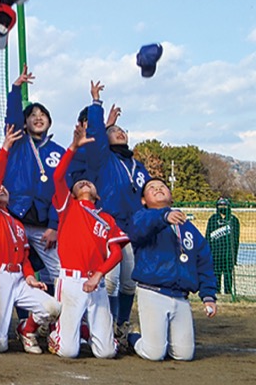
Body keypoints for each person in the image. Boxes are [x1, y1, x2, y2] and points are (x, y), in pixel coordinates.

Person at [47, 87, 127, 360]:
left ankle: (100, 333)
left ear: (97, 193)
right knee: (67, 352)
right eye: (79, 182)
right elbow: (59, 178)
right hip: (70, 281)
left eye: (89, 183)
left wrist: (98, 273)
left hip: (96, 281)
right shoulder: (67, 207)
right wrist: (72, 147)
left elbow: (116, 252)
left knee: (105, 353)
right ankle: (59, 333)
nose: (83, 182)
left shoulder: (106, 217)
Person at [0, 126, 60, 354]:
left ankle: (27, 329)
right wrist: (4, 149)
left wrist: (30, 277)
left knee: (52, 306)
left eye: (5, 188)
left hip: (19, 278)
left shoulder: (16, 223)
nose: (2, 189)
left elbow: (25, 256)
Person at [125, 178, 218, 361]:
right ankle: (129, 336)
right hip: (153, 292)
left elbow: (204, 261)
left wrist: (208, 296)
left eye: (162, 187)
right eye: (152, 188)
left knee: (184, 355)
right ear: (143, 200)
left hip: (181, 297)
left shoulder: (188, 229)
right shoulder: (142, 218)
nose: (158, 189)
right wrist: (163, 217)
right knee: (154, 354)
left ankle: (161, 337)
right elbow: (137, 231)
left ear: (171, 196)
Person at [82, 85, 147, 335]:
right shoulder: (102, 159)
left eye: (122, 131)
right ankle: (105, 323)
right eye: (114, 131)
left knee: (130, 281)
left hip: (133, 228)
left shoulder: (137, 165)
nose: (119, 133)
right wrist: (96, 103)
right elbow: (97, 134)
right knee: (110, 280)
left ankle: (121, 324)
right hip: (109, 225)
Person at [1, 67, 65, 287]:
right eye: (33, 116)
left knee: (59, 270)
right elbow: (12, 118)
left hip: (43, 224)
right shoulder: (18, 141)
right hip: (15, 215)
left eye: (43, 115)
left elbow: (61, 191)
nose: (38, 118)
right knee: (16, 271)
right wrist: (16, 90)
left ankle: (60, 318)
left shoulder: (59, 151)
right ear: (25, 122)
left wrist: (54, 225)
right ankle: (24, 320)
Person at [206, 198, 240, 299]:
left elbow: (236, 239)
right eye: (220, 205)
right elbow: (207, 237)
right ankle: (216, 293)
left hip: (229, 254)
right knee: (216, 274)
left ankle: (228, 293)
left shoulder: (233, 220)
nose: (222, 207)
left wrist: (235, 256)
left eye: (224, 205)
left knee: (228, 274)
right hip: (215, 253)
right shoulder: (212, 219)